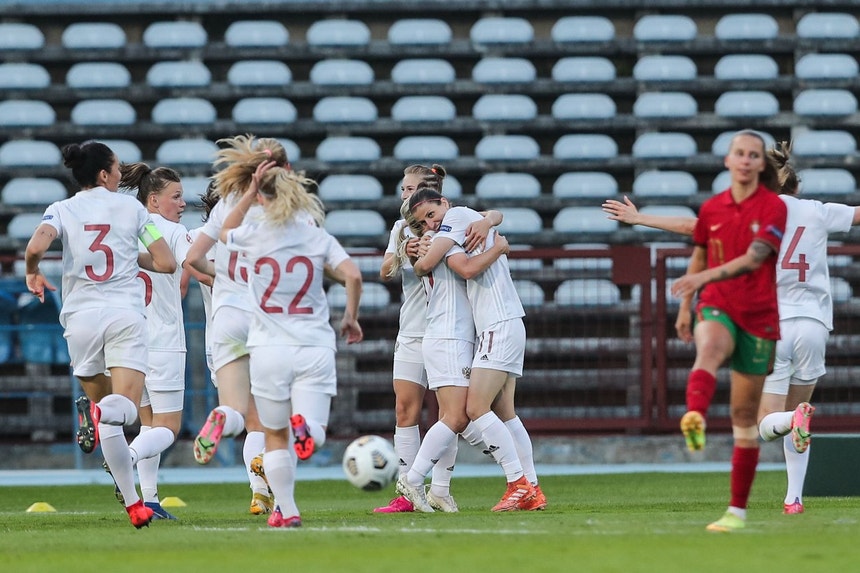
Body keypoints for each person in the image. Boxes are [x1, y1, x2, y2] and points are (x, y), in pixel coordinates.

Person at [602, 140, 860, 516]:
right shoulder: (818, 211)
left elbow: (696, 227)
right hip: (816, 324)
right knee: (797, 411)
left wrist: (640, 219)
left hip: (775, 324)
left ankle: (793, 426)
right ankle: (794, 498)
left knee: (768, 422)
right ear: (795, 186)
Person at [606, 129, 787, 531]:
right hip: (718, 303)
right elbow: (700, 252)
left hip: (759, 316)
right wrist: (686, 306)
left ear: (761, 164)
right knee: (709, 349)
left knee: (744, 418)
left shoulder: (774, 207)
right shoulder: (713, 209)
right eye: (738, 153)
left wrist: (700, 278)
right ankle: (696, 417)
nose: (744, 160)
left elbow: (754, 259)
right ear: (727, 160)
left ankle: (736, 512)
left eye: (752, 155)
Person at [24, 140, 176, 528]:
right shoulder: (131, 207)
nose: (122, 173)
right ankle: (96, 413)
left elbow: (36, 244)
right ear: (105, 175)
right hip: (124, 314)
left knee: (108, 414)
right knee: (122, 411)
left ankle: (133, 505)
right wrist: (129, 255)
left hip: (80, 320)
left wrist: (32, 270)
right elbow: (166, 262)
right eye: (118, 168)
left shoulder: (63, 208)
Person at [220, 160, 363, 528]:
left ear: (263, 198)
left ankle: (288, 510)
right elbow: (353, 274)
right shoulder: (316, 235)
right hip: (314, 344)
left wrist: (248, 193)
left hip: (268, 347)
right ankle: (306, 428)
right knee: (312, 428)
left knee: (274, 435)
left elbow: (224, 231)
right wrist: (350, 315)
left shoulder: (254, 233)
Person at [398, 188, 545, 512]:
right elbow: (438, 265)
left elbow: (458, 263)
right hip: (482, 327)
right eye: (422, 222)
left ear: (444, 204)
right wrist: (496, 235)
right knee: (488, 412)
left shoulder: (455, 220)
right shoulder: (449, 230)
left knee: (474, 411)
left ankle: (521, 485)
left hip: (492, 325)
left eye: (431, 215)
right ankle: (527, 485)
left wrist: (491, 225)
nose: (430, 224)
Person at [375, 164, 500, 513]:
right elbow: (384, 271)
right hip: (414, 329)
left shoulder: (451, 221)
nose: (403, 194)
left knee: (452, 414)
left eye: (409, 188)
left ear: (429, 191)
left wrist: (488, 220)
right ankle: (407, 491)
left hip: (449, 328)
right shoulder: (402, 228)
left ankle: (439, 488)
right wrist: (404, 252)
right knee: (406, 409)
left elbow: (493, 216)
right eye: (402, 189)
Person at [185, 135, 285, 516]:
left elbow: (193, 260)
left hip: (224, 321)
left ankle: (257, 490)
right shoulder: (281, 209)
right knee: (267, 419)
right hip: (264, 318)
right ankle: (270, 494)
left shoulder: (222, 213)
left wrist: (223, 277)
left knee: (237, 413)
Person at [117, 162, 201, 520]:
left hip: (132, 340)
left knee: (148, 424)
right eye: (176, 197)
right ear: (154, 200)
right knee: (169, 427)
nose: (182, 204)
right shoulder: (170, 231)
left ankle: (149, 500)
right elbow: (197, 266)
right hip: (165, 340)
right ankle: (125, 459)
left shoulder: (126, 230)